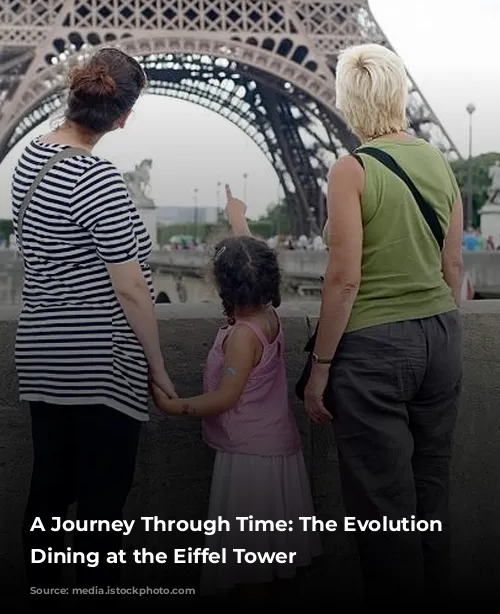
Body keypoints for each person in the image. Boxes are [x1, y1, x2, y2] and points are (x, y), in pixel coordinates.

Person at [11, 47, 177, 611]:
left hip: (42, 353)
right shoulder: (100, 178)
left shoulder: (30, 160)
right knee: (102, 514)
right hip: (100, 364)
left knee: (49, 494)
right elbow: (131, 289)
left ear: (73, 92)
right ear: (123, 116)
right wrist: (158, 370)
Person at [304, 44, 463, 606]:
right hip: (441, 336)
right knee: (431, 488)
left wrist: (320, 369)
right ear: (399, 92)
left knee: (383, 507)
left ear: (350, 102)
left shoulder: (352, 168)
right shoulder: (439, 161)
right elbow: (453, 266)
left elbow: (343, 280)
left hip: (374, 350)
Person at [152, 185, 321, 596]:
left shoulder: (242, 337)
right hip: (275, 447)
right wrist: (238, 219)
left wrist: (176, 407)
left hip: (249, 458)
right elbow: (255, 260)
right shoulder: (269, 316)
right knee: (272, 556)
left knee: (247, 564)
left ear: (223, 287)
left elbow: (226, 397)